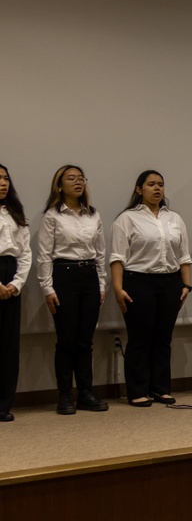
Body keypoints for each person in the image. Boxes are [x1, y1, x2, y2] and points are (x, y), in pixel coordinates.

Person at [110, 170, 192, 407]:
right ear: (139, 189)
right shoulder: (127, 218)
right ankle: (137, 390)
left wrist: (186, 284)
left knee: (163, 338)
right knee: (139, 338)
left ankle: (160, 389)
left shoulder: (174, 218)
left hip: (170, 283)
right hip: (138, 282)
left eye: (161, 185)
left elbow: (184, 256)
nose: (157, 189)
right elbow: (117, 257)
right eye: (151, 184)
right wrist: (117, 288)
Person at [37, 165, 108, 415]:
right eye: (71, 179)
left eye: (81, 178)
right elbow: (44, 255)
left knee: (85, 341)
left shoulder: (93, 215)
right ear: (60, 185)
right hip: (63, 277)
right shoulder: (52, 216)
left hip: (89, 276)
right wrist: (47, 288)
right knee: (66, 341)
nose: (77, 182)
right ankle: (65, 395)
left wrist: (101, 284)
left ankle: (86, 393)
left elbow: (100, 253)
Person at [0, 164, 31, 422]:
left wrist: (16, 283)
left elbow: (25, 252)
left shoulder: (14, 212)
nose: (3, 183)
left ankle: (3, 403)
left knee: (8, 345)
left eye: (5, 178)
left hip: (10, 274)